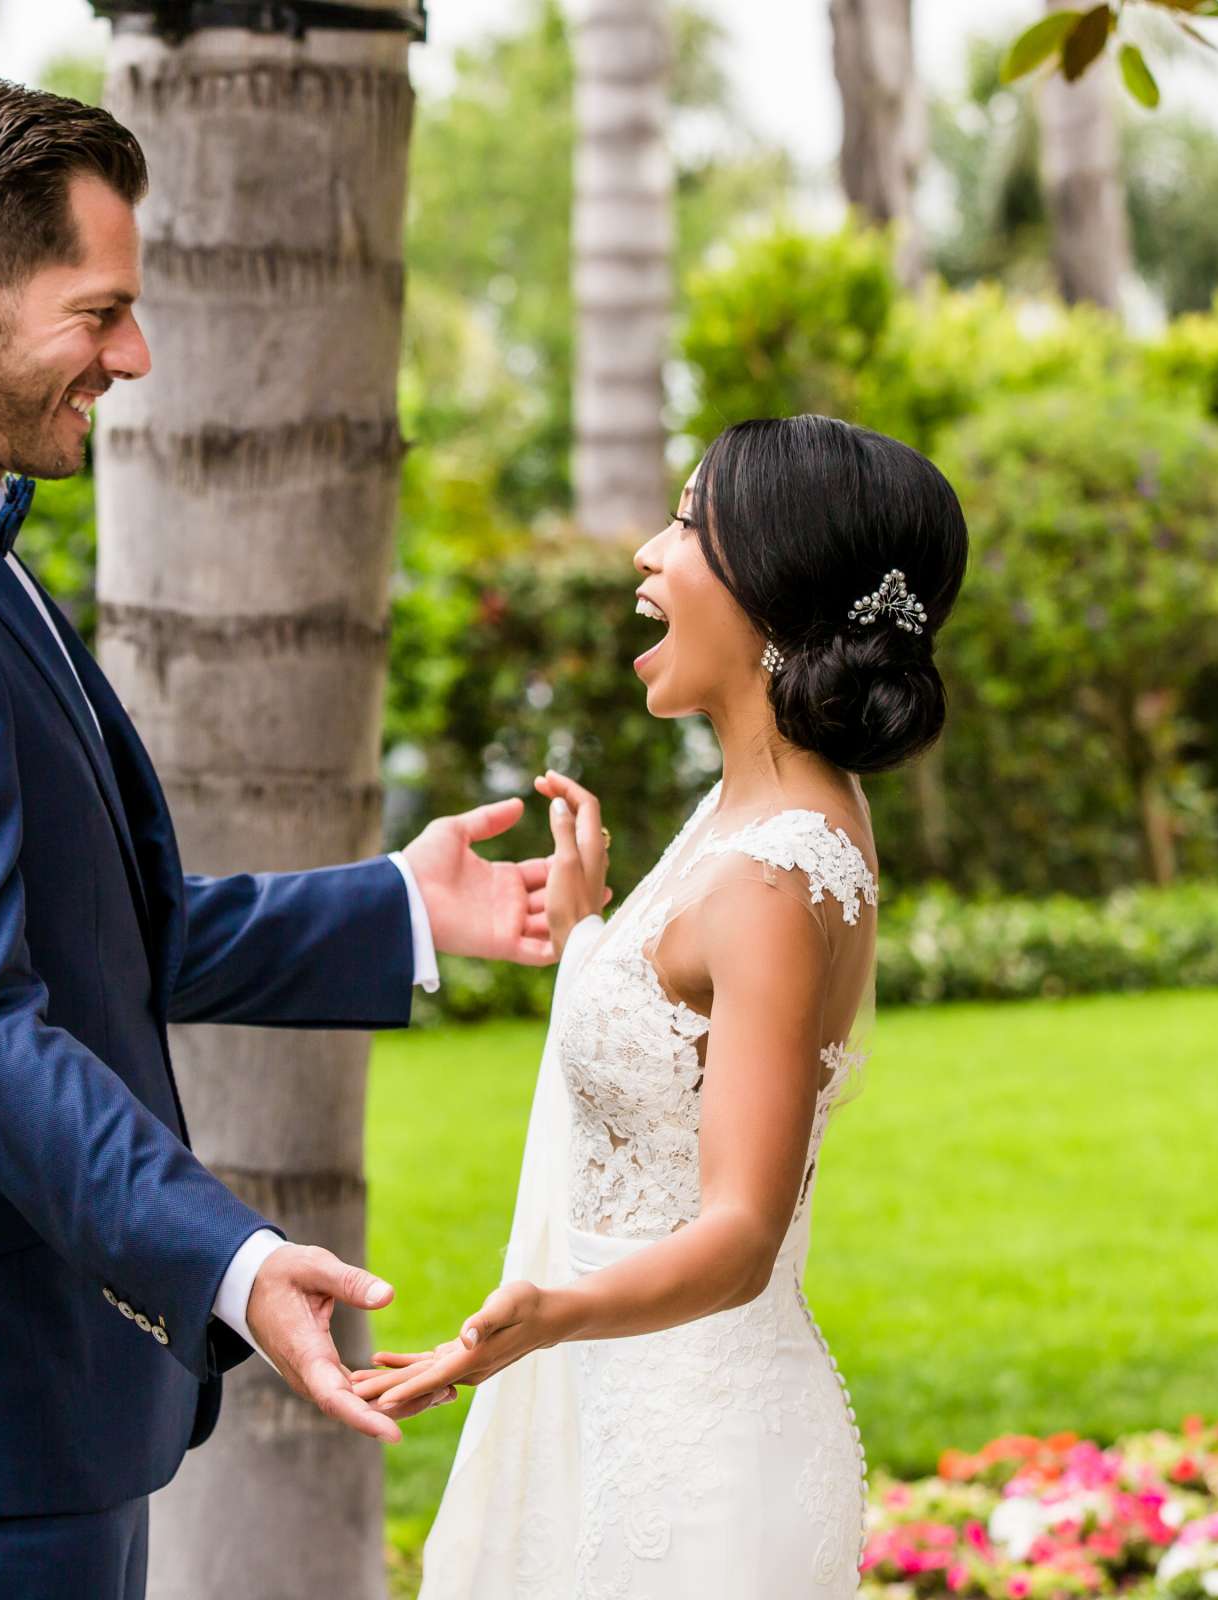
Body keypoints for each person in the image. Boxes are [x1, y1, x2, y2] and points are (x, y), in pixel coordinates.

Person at [0, 80, 551, 1600]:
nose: (134, 355)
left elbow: (109, 925)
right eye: (99, 313)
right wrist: (227, 1260)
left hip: (23, 1402)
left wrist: (399, 909)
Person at [363, 415, 969, 1599]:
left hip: (694, 1465)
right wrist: (593, 933)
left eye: (689, 525)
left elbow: (740, 1232)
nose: (648, 553)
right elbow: (685, 1058)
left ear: (774, 591)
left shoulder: (776, 873)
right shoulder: (754, 815)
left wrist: (551, 1310)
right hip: (625, 1407)